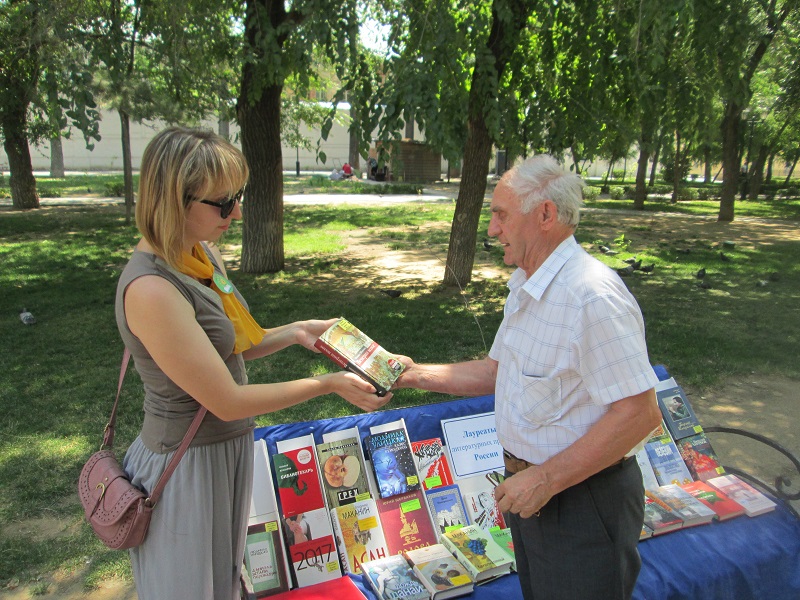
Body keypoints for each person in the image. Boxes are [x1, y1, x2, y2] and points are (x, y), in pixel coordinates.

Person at [116, 126, 389, 600]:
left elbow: (233, 344)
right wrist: (326, 384)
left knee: (222, 586)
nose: (236, 212)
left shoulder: (200, 256)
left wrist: (301, 331)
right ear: (174, 201)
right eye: (222, 203)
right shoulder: (152, 289)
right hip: (185, 464)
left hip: (223, 451)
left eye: (237, 197)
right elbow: (226, 400)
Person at [395, 154, 662, 600]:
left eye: (500, 215)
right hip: (533, 495)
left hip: (580, 502)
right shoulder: (528, 284)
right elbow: (498, 372)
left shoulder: (591, 295)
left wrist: (544, 479)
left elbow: (639, 413)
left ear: (545, 215)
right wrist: (412, 374)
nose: (492, 230)